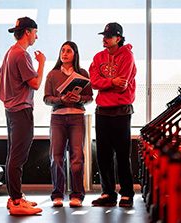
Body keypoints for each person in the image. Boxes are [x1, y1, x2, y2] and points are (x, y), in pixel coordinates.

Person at [0, 16, 46, 215]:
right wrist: (41, 63)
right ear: (28, 32)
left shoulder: (10, 52)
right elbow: (35, 83)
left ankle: (14, 197)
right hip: (21, 111)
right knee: (18, 157)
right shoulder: (22, 55)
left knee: (13, 155)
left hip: (11, 110)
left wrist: (7, 96)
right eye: (35, 32)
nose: (36, 36)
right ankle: (16, 201)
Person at [89, 22, 137, 208]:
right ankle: (108, 193)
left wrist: (104, 82)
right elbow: (93, 81)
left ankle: (127, 193)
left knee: (123, 155)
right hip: (102, 111)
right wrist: (111, 81)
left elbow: (122, 84)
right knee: (103, 155)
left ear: (118, 38)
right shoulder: (98, 57)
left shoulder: (127, 55)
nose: (105, 39)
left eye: (108, 36)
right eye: (104, 36)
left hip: (121, 111)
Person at [43, 41, 93, 208]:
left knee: (77, 157)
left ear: (75, 54)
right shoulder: (52, 74)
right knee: (56, 157)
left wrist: (79, 99)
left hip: (77, 119)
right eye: (62, 50)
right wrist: (61, 100)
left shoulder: (83, 73)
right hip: (57, 119)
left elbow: (90, 97)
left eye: (68, 51)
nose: (64, 54)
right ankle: (57, 194)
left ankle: (77, 195)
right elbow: (46, 99)